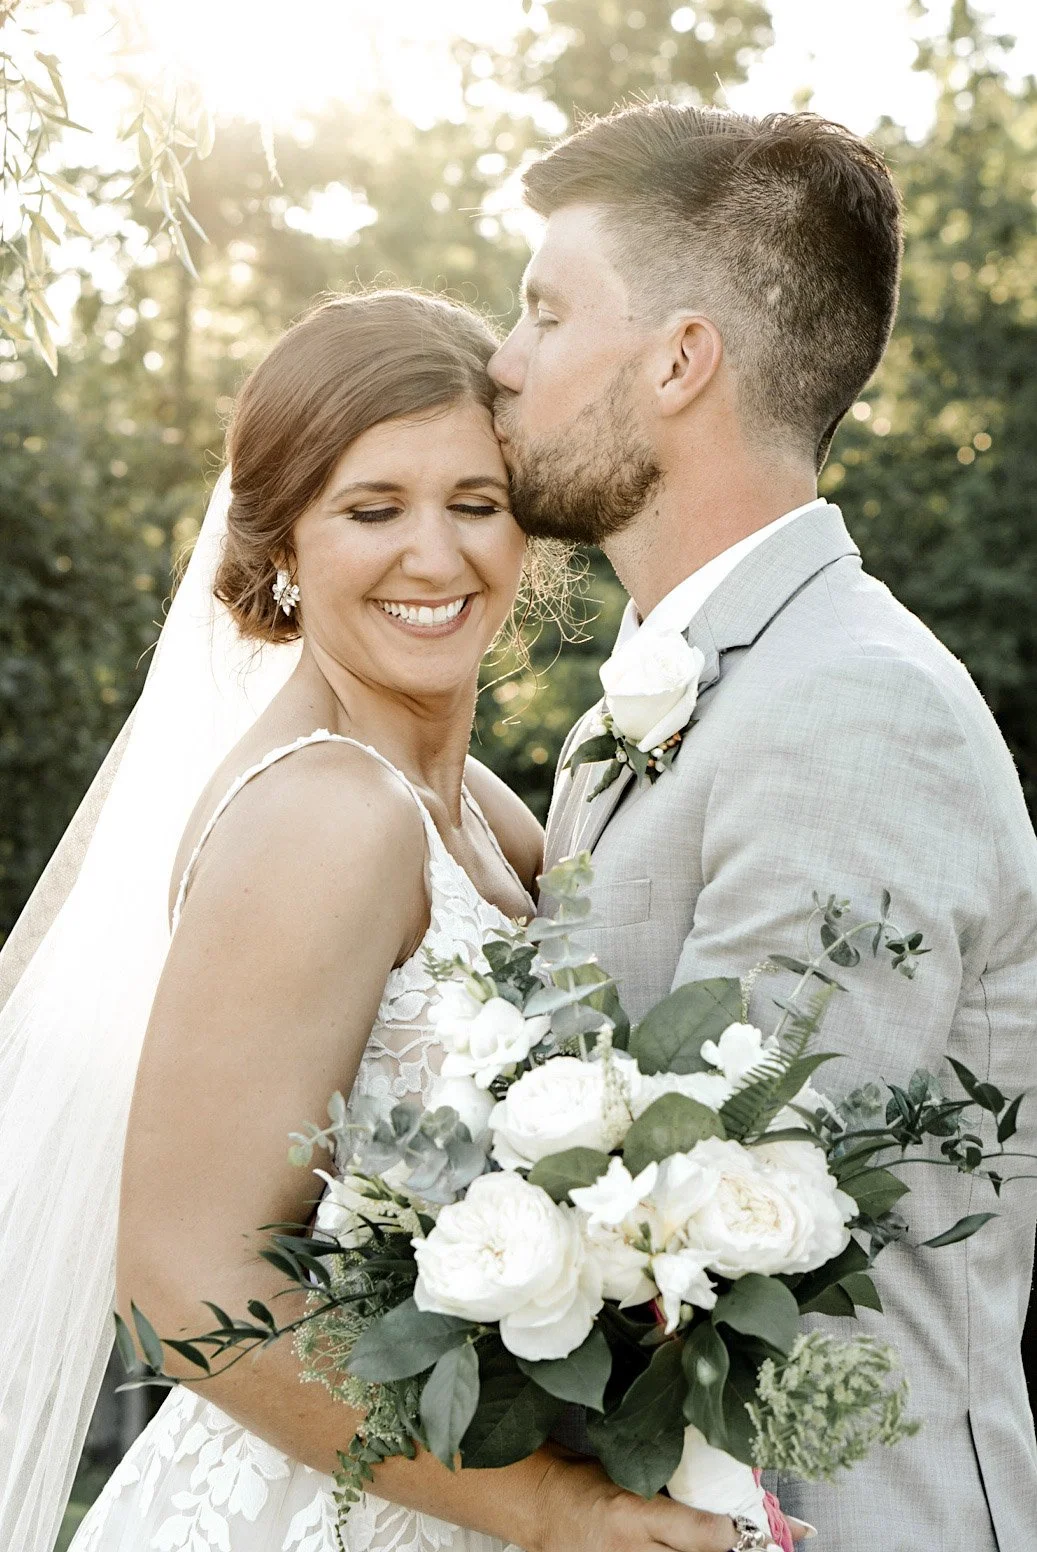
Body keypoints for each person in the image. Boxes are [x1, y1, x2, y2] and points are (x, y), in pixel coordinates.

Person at [0, 290, 782, 1552]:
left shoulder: (473, 804)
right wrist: (543, 1507)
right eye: (373, 511)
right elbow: (180, 1281)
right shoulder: (327, 814)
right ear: (280, 547)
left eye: (476, 503)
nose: (436, 555)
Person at [490, 102, 1037, 1552]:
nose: (503, 358)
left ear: (679, 358)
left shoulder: (855, 708)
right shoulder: (657, 705)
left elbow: (721, 1217)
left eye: (545, 310)